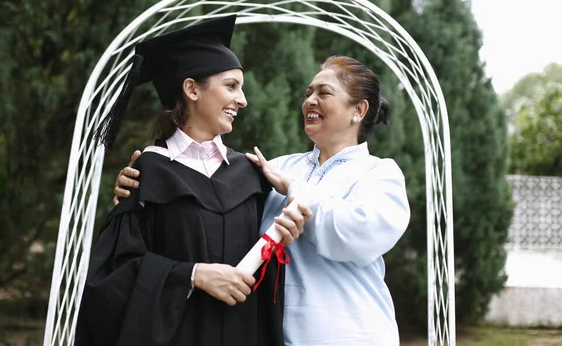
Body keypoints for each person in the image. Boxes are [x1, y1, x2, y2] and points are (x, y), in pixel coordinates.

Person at [115, 55, 411, 345]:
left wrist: (295, 190)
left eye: (324, 93)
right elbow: (219, 222)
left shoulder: (378, 173)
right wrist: (140, 192)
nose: (310, 101)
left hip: (353, 334)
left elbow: (357, 234)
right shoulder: (275, 168)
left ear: (358, 110)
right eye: (308, 93)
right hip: (277, 333)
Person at [76, 15, 310, 346]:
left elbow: (266, 276)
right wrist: (192, 275)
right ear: (191, 89)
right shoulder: (149, 175)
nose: (243, 100)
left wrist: (281, 241)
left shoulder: (250, 174)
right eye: (231, 86)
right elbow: (113, 278)